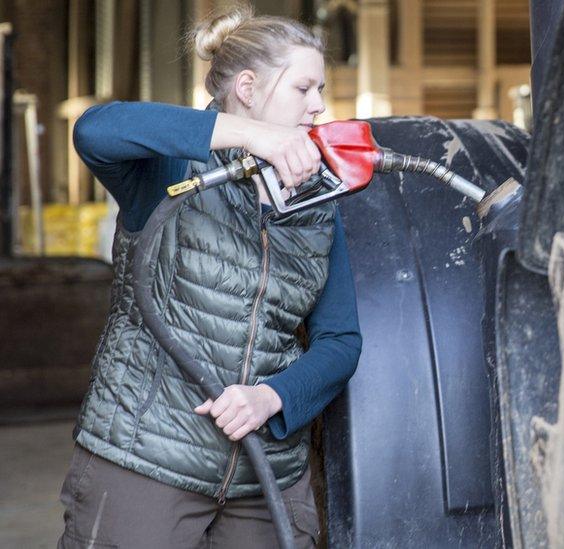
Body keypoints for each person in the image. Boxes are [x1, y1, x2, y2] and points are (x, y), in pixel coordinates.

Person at [57, 5, 361, 548]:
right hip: (145, 460)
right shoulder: (170, 173)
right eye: (303, 88)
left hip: (265, 475)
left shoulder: (319, 204)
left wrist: (273, 398)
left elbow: (341, 342)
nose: (318, 106)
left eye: (321, 89)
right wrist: (251, 137)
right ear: (247, 86)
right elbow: (96, 130)